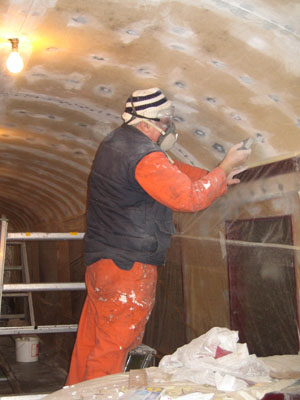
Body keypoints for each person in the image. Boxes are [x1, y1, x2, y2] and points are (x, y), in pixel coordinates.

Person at [66, 87, 251, 385]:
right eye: (165, 121)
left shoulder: (116, 142)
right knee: (115, 346)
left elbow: (172, 169)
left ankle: (74, 392)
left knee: (92, 341)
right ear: (146, 122)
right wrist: (225, 166)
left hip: (103, 263)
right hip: (129, 267)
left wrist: (214, 175)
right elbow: (188, 198)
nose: (168, 127)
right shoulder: (143, 154)